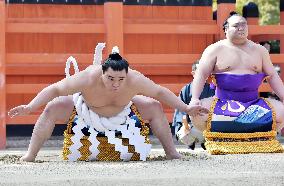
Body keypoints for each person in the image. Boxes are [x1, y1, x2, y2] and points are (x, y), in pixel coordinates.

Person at [8, 44, 208, 162]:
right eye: (111, 79)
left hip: (124, 110)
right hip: (85, 108)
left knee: (154, 106)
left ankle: (171, 153)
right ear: (102, 72)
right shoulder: (87, 77)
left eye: (121, 79)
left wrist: (186, 108)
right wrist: (31, 106)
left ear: (126, 75)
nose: (116, 84)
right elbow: (55, 89)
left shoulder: (135, 79)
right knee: (53, 107)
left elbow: (160, 92)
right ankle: (30, 155)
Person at [188, 12, 284, 153]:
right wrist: (195, 98)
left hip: (253, 103)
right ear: (226, 29)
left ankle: (256, 139)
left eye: (244, 24)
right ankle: (218, 138)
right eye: (236, 25)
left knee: (282, 111)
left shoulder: (260, 50)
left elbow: (272, 76)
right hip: (222, 101)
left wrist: (283, 97)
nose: (241, 28)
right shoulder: (214, 49)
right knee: (197, 112)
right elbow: (201, 75)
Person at [172, 60, 215, 150]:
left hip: (207, 124)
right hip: (190, 125)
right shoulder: (186, 90)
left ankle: (205, 142)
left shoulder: (213, 89)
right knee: (184, 134)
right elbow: (180, 111)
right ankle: (191, 142)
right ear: (193, 73)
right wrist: (184, 124)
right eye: (200, 71)